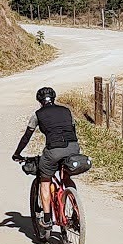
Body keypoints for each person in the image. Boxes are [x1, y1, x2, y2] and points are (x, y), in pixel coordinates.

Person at [12, 86, 80, 230]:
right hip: (74, 147)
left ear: (39, 101)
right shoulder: (67, 111)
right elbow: (72, 130)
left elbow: (26, 137)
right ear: (54, 98)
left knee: (45, 180)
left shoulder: (38, 115)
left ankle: (48, 219)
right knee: (66, 178)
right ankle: (75, 207)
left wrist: (17, 153)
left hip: (53, 150)